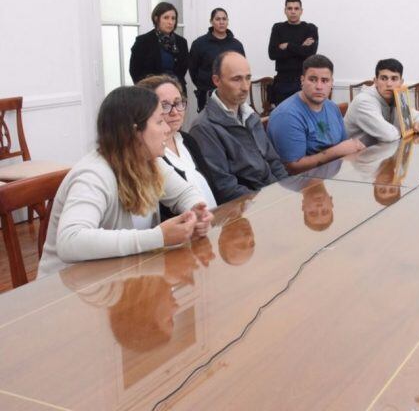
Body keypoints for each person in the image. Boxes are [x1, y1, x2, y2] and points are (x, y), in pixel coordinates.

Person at [38, 86, 213, 278]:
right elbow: (70, 241)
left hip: (117, 279)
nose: (166, 128)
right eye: (159, 121)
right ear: (135, 132)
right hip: (67, 294)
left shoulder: (148, 162)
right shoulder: (93, 175)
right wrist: (158, 237)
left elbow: (184, 193)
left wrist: (197, 212)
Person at [190, 51, 288, 203]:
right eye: (236, 79)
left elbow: (274, 162)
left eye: (248, 78)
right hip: (245, 210)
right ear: (216, 80)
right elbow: (224, 187)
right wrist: (268, 200)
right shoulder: (204, 127)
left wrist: (286, 191)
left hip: (271, 197)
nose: (245, 87)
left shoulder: (251, 116)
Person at [267, 54, 365, 175]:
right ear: (302, 80)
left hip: (330, 178)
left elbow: (344, 146)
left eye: (324, 81)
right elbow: (292, 168)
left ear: (331, 83)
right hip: (298, 186)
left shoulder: (332, 107)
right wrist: (336, 152)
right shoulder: (287, 115)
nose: (319, 86)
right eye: (312, 80)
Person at [136, 75, 217, 210]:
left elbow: (213, 187)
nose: (175, 112)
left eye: (178, 103)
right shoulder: (151, 152)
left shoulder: (188, 140)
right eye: (165, 106)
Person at [344, 58, 419, 145]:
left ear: (401, 82)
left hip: (377, 152)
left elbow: (416, 115)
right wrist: (407, 128)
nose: (389, 84)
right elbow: (389, 135)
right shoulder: (363, 101)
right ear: (375, 81)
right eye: (384, 78)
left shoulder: (396, 96)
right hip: (353, 156)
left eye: (394, 79)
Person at [189, 7, 246, 111]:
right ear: (211, 21)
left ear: (228, 21)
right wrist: (204, 85)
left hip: (232, 94)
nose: (221, 22)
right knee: (208, 125)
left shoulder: (236, 45)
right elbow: (193, 69)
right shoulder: (199, 44)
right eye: (218, 19)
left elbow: (242, 69)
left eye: (224, 19)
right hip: (208, 94)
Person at [268, 0, 319, 105]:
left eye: (296, 8)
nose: (293, 11)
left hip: (303, 81)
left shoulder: (310, 28)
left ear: (301, 11)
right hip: (282, 81)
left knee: (303, 116)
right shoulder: (278, 28)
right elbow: (273, 54)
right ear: (285, 10)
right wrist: (301, 46)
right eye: (290, 8)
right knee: (282, 117)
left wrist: (288, 45)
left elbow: (310, 53)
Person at [129, 2, 190, 93]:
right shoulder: (143, 41)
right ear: (156, 19)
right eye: (166, 18)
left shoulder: (181, 42)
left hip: (176, 90)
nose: (170, 22)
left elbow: (182, 69)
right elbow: (135, 70)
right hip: (151, 92)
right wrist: (145, 91)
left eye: (173, 18)